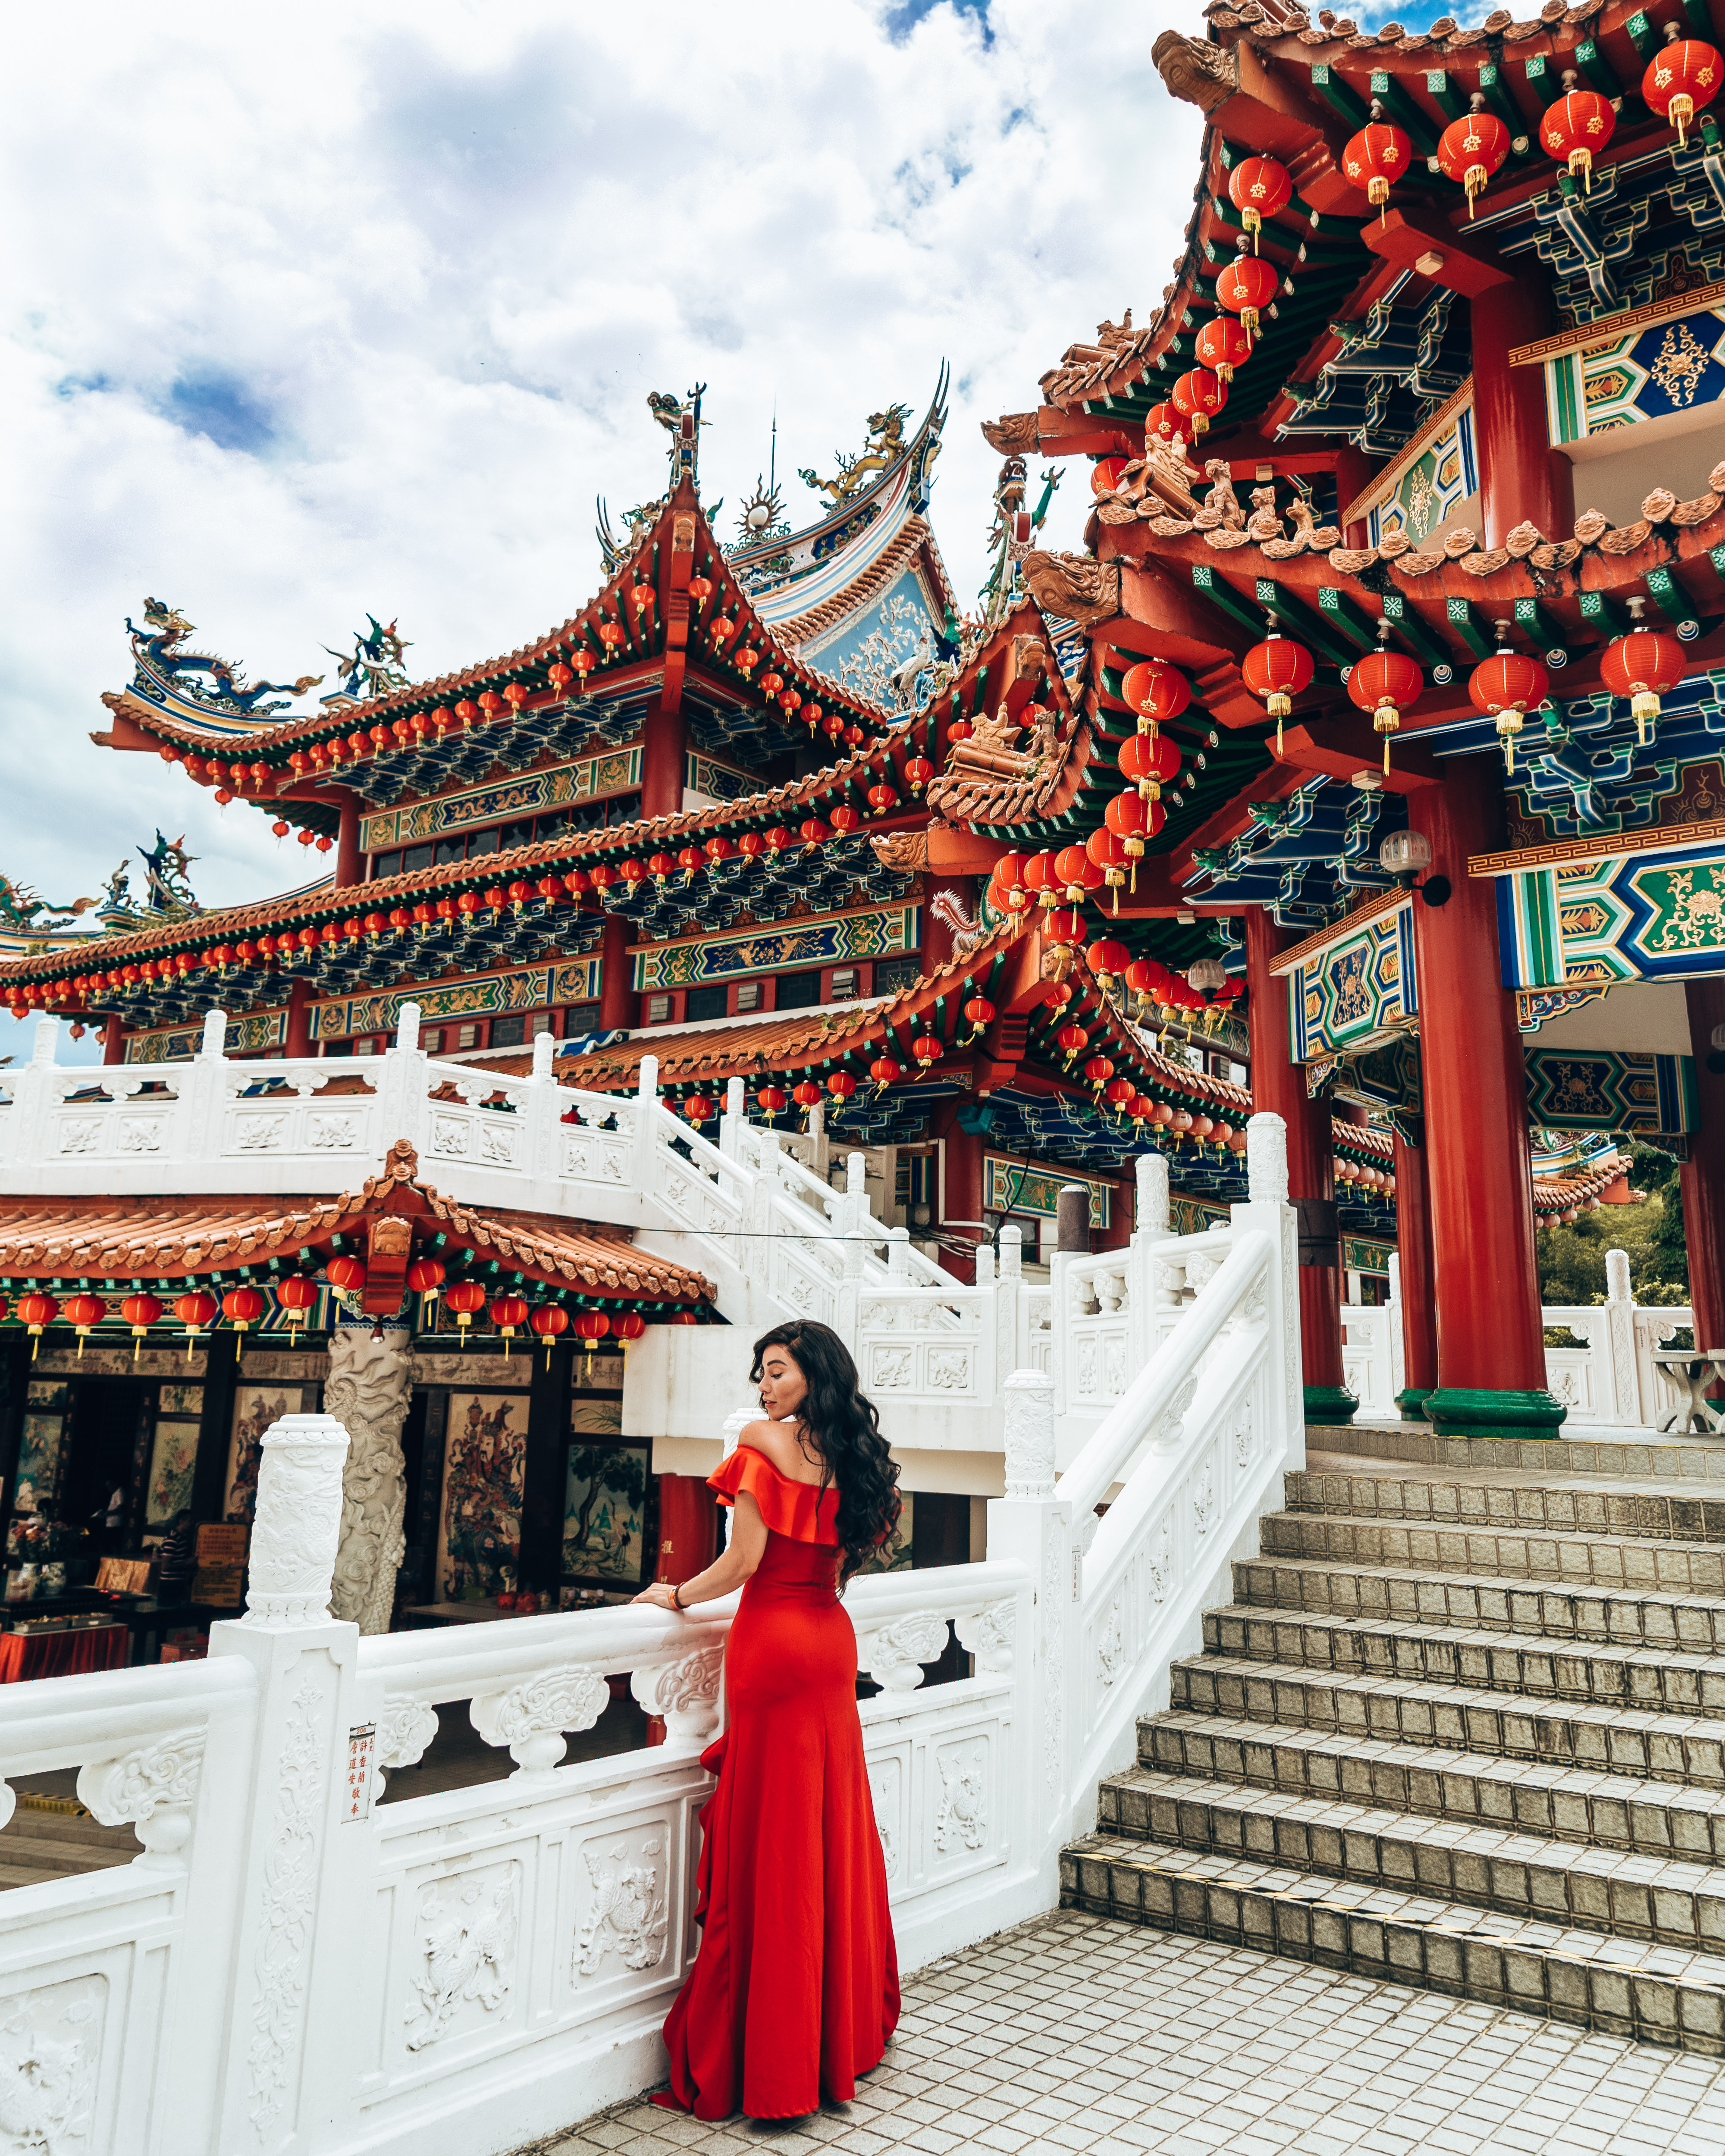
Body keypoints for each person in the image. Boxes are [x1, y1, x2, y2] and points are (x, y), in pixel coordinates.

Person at [633, 1318, 902, 2122]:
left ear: (812, 1374)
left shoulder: (760, 1443)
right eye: (760, 1375)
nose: (763, 1388)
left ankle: (771, 2062)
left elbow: (743, 1562)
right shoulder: (855, 1459)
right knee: (823, 1831)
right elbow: (847, 1554)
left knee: (771, 1841)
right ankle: (830, 2039)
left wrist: (673, 1595)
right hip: (827, 1637)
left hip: (772, 1645)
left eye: (777, 1371)